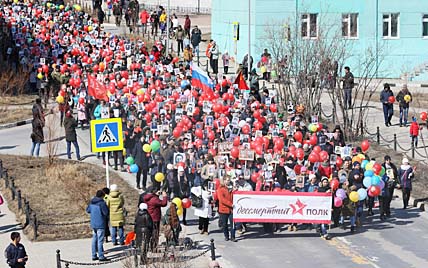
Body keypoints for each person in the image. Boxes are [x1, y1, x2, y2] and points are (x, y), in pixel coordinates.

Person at [86, 190, 109, 261]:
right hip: (100, 223)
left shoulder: (92, 202)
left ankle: (94, 255)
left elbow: (88, 210)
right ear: (102, 196)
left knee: (94, 239)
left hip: (93, 223)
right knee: (100, 240)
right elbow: (106, 213)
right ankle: (101, 256)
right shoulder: (102, 203)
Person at [217, 176, 236, 242]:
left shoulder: (231, 187)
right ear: (224, 181)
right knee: (224, 224)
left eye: (229, 180)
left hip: (231, 209)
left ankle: (233, 237)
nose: (228, 181)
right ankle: (226, 236)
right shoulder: (220, 188)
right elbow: (222, 200)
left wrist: (234, 191)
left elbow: (234, 196)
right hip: (223, 209)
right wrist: (230, 204)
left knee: (232, 224)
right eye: (227, 180)